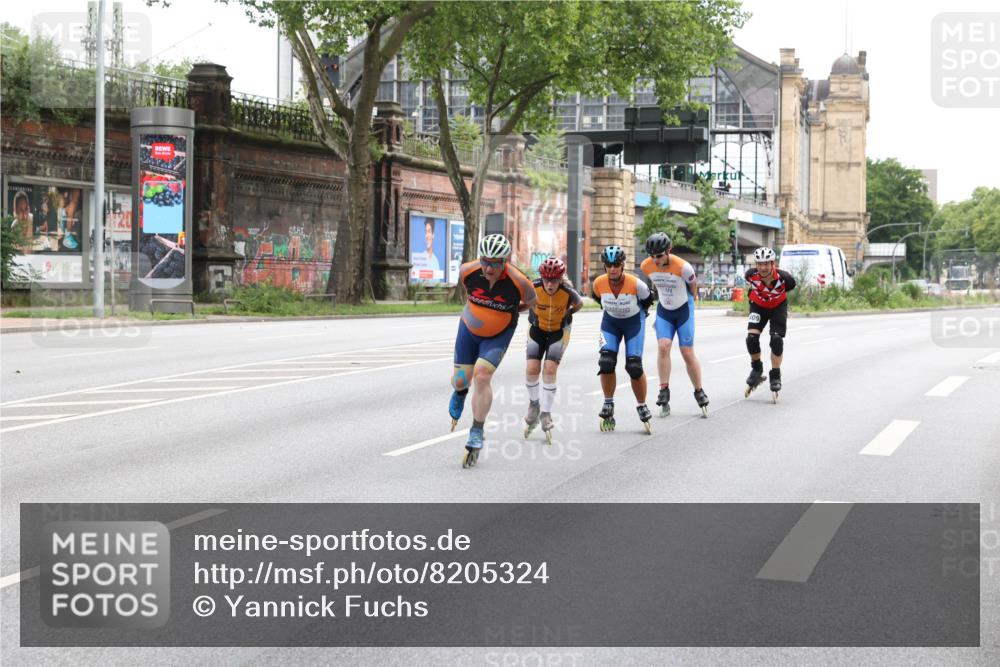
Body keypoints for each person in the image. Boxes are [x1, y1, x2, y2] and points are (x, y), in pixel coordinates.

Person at [449, 233, 536, 468]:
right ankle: (459, 393)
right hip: (469, 328)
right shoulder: (467, 271)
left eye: (495, 263)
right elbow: (468, 294)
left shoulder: (519, 282)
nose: (488, 268)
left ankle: (476, 431)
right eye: (485, 261)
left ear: (505, 262)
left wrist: (514, 309)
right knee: (459, 381)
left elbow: (530, 300)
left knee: (482, 375)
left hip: (499, 332)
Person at [639, 233, 709, 417]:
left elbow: (693, 287)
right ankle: (664, 390)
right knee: (663, 347)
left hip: (684, 309)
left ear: (668, 251)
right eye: (652, 255)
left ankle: (699, 390)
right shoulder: (646, 266)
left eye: (659, 255)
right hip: (665, 310)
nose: (655, 259)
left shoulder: (684, 267)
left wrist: (691, 300)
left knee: (687, 352)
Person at [591, 245, 654, 433]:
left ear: (622, 265)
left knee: (634, 366)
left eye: (616, 265)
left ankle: (642, 404)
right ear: (604, 266)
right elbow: (597, 299)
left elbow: (648, 301)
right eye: (609, 265)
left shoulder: (637, 284)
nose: (612, 269)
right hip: (611, 323)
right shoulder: (598, 283)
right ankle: (608, 403)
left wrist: (636, 314)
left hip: (634, 322)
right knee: (606, 361)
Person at [523, 257, 583, 444]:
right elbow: (522, 301)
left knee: (550, 368)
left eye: (554, 280)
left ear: (560, 279)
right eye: (546, 279)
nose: (550, 284)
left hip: (558, 332)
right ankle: (534, 404)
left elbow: (579, 304)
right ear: (542, 277)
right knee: (532, 368)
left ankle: (546, 414)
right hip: (537, 329)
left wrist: (568, 313)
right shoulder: (533, 287)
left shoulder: (568, 292)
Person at [744, 246, 797, 401]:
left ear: (773, 264)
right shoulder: (751, 275)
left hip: (778, 307)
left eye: (766, 264)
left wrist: (774, 297)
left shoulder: (785, 278)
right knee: (751, 338)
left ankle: (775, 375)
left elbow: (790, 288)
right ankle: (757, 368)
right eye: (759, 264)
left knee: (776, 339)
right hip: (758, 306)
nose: (763, 267)